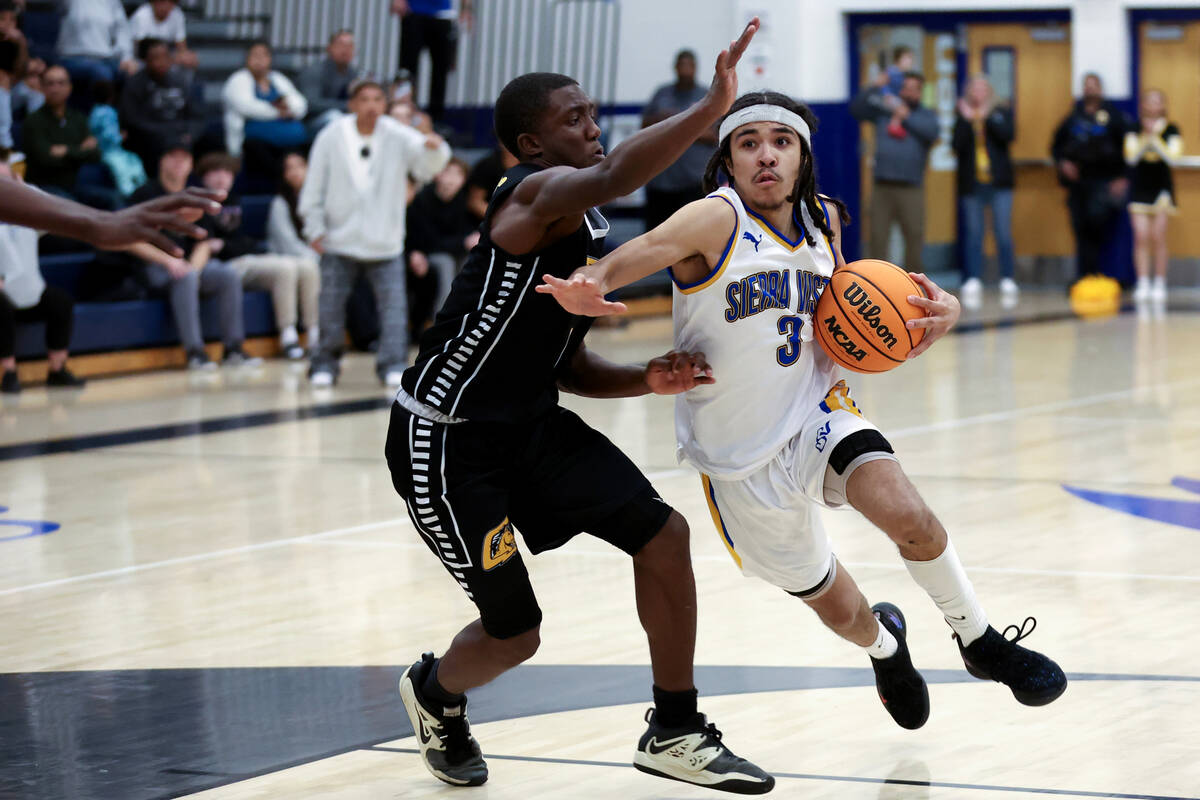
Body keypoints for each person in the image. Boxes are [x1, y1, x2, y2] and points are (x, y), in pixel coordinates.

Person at [539, 91, 1068, 736]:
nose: (766, 156)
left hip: (819, 415)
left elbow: (864, 298)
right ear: (728, 161)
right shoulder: (712, 220)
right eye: (749, 143)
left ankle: (980, 640)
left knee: (912, 518)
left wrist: (942, 309)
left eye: (781, 142)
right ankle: (886, 646)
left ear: (802, 156)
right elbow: (643, 250)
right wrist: (593, 283)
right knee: (841, 611)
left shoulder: (825, 221)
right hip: (739, 460)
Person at [388, 22, 778, 794]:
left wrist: (647, 379)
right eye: (576, 120)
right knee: (516, 635)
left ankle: (675, 727)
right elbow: (615, 176)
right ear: (531, 147)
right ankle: (435, 694)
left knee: (663, 535)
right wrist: (710, 108)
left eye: (594, 114)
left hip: (531, 425)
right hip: (447, 445)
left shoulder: (584, 225)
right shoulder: (530, 199)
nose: (595, 130)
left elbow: (565, 365)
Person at [299, 79, 449, 387]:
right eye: (364, 99)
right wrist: (313, 227)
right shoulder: (331, 135)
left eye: (377, 100)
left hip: (385, 242)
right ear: (352, 103)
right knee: (329, 309)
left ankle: (392, 364)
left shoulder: (397, 134)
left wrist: (435, 148)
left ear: (384, 104)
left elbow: (427, 164)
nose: (371, 106)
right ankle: (324, 364)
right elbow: (313, 184)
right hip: (339, 240)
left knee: (394, 310)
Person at [126, 140, 249, 370]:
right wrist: (170, 261)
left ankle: (234, 348)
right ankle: (195, 352)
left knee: (226, 274)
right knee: (186, 277)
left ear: (191, 164)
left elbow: (204, 243)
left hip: (186, 264)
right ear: (162, 161)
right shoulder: (145, 194)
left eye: (183, 158)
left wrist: (194, 267)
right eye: (172, 157)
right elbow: (129, 240)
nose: (178, 163)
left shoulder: (193, 196)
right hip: (152, 266)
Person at [194, 152, 318, 360]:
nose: (222, 178)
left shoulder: (233, 200)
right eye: (216, 172)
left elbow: (241, 243)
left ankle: (314, 333)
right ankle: (288, 335)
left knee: (304, 266)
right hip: (221, 267)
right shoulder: (199, 204)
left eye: (227, 172)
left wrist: (226, 245)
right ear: (204, 177)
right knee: (285, 267)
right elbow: (209, 244)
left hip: (240, 259)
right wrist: (229, 246)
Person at [0, 160, 86, 393]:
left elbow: (51, 212)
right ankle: (8, 373)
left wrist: (26, 189)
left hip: (31, 294)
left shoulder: (27, 220)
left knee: (61, 301)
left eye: (9, 183)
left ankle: (57, 370)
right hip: (3, 296)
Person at [851, 70, 938, 272]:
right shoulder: (884, 111)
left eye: (914, 89)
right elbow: (857, 109)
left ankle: (915, 289)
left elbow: (931, 133)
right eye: (905, 88)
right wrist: (874, 85)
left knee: (914, 238)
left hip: (911, 188)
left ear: (920, 92)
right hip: (882, 187)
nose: (909, 92)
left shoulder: (926, 115)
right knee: (877, 238)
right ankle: (876, 286)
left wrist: (905, 117)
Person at [1052, 73, 1130, 280]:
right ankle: (1084, 277)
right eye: (1086, 86)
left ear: (1101, 89)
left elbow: (1128, 148)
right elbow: (1056, 146)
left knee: (1100, 229)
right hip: (1078, 184)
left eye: (1094, 86)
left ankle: (1102, 276)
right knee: (1080, 229)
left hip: (1104, 182)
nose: (1090, 90)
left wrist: (1122, 177)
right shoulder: (1073, 117)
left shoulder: (1113, 116)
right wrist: (1063, 163)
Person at [953, 74, 1017, 310]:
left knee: (1002, 231)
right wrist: (967, 121)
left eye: (983, 89)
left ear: (989, 91)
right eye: (974, 88)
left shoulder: (1000, 111)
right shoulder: (962, 115)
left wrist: (985, 117)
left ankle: (1008, 277)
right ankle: (973, 278)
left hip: (999, 184)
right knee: (974, 232)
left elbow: (1008, 136)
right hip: (973, 185)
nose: (978, 93)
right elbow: (956, 145)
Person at [21, 66, 120, 210]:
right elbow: (45, 159)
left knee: (114, 199)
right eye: (50, 83)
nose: (55, 88)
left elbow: (95, 154)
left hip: (74, 186)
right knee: (72, 208)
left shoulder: (78, 118)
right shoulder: (33, 121)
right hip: (44, 187)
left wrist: (65, 150)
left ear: (69, 88)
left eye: (61, 83)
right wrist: (80, 150)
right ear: (42, 88)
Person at [641, 50, 716, 231]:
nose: (685, 70)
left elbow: (715, 135)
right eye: (681, 65)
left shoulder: (706, 95)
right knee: (656, 233)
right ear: (675, 67)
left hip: (694, 182)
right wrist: (668, 121)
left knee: (692, 233)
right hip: (661, 180)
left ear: (695, 68)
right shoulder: (662, 93)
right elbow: (645, 126)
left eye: (689, 65)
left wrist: (679, 127)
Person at [1125, 88, 1180, 305]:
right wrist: (1145, 137)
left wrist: (1154, 137)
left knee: (1158, 236)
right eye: (1149, 101)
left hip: (1162, 189)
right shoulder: (1133, 128)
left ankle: (1159, 281)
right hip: (1139, 188)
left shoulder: (1171, 129)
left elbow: (1172, 158)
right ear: (1143, 105)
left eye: (1158, 101)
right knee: (1141, 236)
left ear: (1163, 106)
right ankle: (1143, 281)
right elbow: (1131, 157)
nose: (1153, 105)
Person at [406, 157, 477, 318]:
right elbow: (429, 241)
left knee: (471, 262)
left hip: (456, 250)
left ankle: (466, 318)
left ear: (464, 180)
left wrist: (470, 240)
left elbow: (470, 232)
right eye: (447, 172)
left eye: (458, 174)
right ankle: (441, 320)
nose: (451, 179)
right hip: (427, 252)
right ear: (437, 175)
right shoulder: (423, 198)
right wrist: (463, 242)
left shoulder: (464, 199)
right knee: (446, 263)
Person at [121, 38, 203, 170]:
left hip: (180, 135)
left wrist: (191, 134)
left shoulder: (181, 81)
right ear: (145, 60)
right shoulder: (135, 84)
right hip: (151, 138)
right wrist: (166, 133)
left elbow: (196, 115)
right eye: (155, 58)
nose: (161, 62)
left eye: (165, 57)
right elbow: (132, 121)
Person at [222, 40, 308, 159]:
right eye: (255, 55)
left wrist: (290, 108)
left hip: (289, 137)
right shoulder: (238, 79)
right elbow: (246, 107)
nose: (260, 60)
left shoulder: (277, 78)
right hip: (254, 138)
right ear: (247, 58)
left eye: (264, 55)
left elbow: (299, 102)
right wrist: (278, 112)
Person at [389, 0, 472, 122]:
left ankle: (436, 119)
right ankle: (404, 115)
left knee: (441, 71)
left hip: (443, 14)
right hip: (414, 11)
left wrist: (466, 9)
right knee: (407, 71)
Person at [55, 0, 138, 92]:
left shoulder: (113, 2)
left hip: (106, 58)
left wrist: (126, 58)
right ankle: (102, 106)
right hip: (73, 57)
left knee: (134, 73)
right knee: (101, 71)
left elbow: (122, 29)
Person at [89, 79, 147, 199]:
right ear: (111, 97)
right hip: (106, 152)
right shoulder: (106, 113)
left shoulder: (96, 111)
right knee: (120, 168)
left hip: (116, 151)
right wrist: (119, 136)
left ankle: (143, 189)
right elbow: (107, 134)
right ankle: (128, 195)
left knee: (134, 160)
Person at [297, 29, 359, 133]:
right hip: (311, 123)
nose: (346, 50)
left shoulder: (353, 73)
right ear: (329, 48)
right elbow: (311, 104)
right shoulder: (314, 71)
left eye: (350, 46)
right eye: (341, 45)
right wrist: (347, 106)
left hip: (342, 118)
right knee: (335, 118)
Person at [128, 0, 197, 71]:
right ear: (153, 2)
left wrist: (184, 56)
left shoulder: (177, 14)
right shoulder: (141, 15)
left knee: (189, 60)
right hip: (141, 59)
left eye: (169, 2)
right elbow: (139, 50)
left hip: (166, 57)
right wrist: (168, 58)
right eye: (162, 2)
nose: (165, 6)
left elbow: (182, 47)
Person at [464, 145, 517, 223]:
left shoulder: (536, 165)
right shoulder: (487, 165)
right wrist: (503, 220)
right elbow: (475, 202)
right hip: (491, 224)